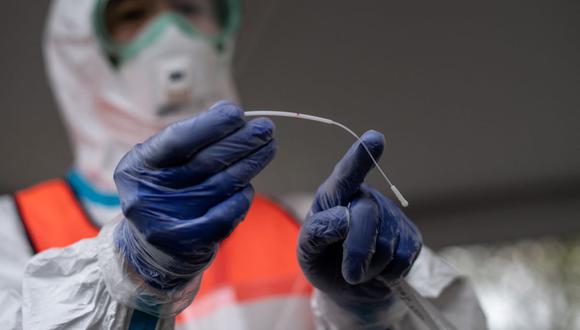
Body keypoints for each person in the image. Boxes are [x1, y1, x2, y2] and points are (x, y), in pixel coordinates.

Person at [0, 0, 487, 329]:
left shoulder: (313, 230)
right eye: (133, 13)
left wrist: (373, 313)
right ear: (80, 48)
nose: (169, 35)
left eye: (190, 7)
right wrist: (134, 272)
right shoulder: (11, 231)